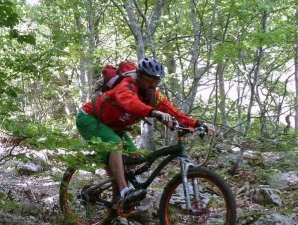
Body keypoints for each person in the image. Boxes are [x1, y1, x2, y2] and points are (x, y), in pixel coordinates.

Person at [76, 57, 215, 209]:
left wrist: (198, 123)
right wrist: (154, 112)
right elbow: (131, 103)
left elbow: (174, 112)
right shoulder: (126, 85)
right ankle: (124, 191)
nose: (153, 85)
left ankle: (118, 198)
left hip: (113, 126)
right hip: (89, 119)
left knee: (135, 157)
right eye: (150, 80)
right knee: (116, 144)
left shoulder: (153, 95)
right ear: (140, 76)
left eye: (157, 81)